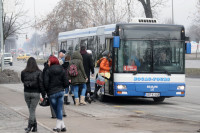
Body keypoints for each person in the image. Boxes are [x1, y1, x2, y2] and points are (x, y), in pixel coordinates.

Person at [44, 56, 68, 132]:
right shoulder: (62, 69)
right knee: (59, 109)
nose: (48, 63)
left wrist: (46, 91)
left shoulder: (48, 70)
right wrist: (63, 87)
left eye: (48, 61)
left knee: (57, 110)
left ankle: (58, 127)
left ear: (51, 62)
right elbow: (66, 82)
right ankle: (63, 126)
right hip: (60, 92)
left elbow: (46, 82)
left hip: (52, 93)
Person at [21, 57, 45, 133]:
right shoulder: (39, 72)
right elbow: (41, 84)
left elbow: (23, 81)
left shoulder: (23, 72)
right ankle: (32, 126)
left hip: (26, 92)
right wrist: (43, 95)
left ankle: (32, 126)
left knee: (31, 110)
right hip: (36, 93)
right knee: (32, 110)